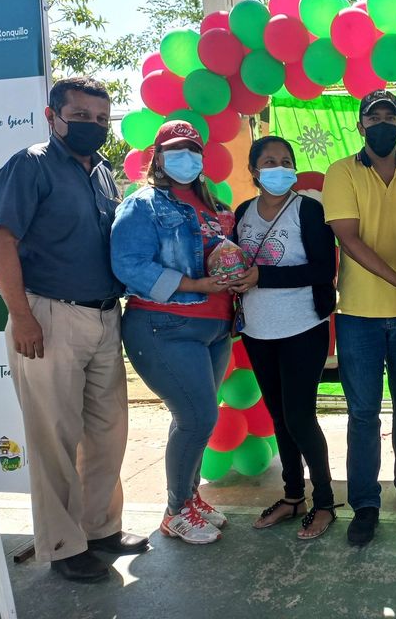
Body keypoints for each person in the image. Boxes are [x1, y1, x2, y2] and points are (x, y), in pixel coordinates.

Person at [0, 77, 148, 583]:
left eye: (100, 118)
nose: (92, 126)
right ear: (51, 116)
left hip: (105, 316)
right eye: (80, 116)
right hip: (49, 317)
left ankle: (100, 528)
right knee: (53, 438)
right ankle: (61, 544)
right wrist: (22, 316)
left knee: (106, 432)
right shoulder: (30, 165)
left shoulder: (103, 172)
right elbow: (1, 242)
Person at [111, 120, 240, 546]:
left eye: (194, 149)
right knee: (199, 417)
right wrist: (194, 284)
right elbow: (128, 264)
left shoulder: (216, 206)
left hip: (216, 329)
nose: (187, 157)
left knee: (194, 418)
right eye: (176, 149)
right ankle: (175, 511)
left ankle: (189, 496)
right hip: (163, 326)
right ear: (159, 157)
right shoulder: (143, 204)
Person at [323, 89, 396, 546]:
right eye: (375, 118)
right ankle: (365, 503)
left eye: (391, 117)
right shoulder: (341, 172)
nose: (383, 124)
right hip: (359, 316)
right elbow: (348, 239)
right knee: (364, 414)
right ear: (361, 126)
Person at [229, 136, 339, 539]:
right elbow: (237, 259)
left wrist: (264, 277)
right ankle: (294, 497)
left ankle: (324, 502)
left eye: (286, 161)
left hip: (301, 327)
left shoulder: (308, 210)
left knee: (300, 417)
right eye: (270, 161)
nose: (279, 168)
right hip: (258, 330)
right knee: (279, 416)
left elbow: (323, 269)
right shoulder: (243, 212)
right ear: (254, 171)